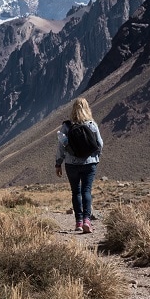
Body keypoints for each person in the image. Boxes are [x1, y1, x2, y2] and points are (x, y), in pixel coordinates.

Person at [55, 97, 103, 234]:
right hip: (89, 163)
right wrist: (95, 158)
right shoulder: (92, 124)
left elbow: (61, 147)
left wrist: (58, 164)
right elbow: (100, 144)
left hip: (71, 164)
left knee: (76, 192)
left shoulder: (66, 126)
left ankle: (79, 222)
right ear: (87, 108)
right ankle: (88, 220)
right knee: (86, 191)